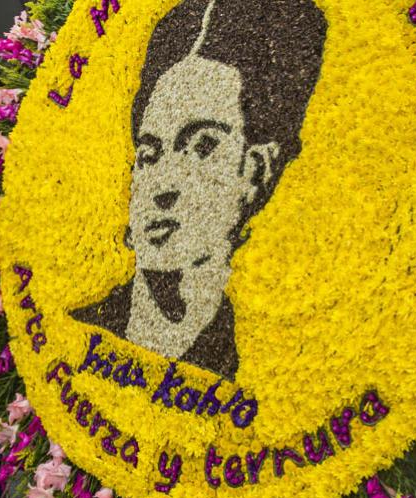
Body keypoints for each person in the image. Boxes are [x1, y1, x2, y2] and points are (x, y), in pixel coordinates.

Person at [71, 0, 327, 379]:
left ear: (255, 171)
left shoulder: (257, 373)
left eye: (202, 147)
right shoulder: (81, 331)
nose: (163, 186)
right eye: (149, 153)